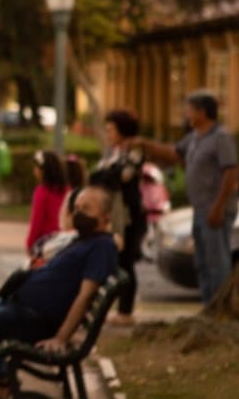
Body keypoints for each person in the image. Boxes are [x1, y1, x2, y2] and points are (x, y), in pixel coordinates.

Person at [0, 186, 119, 398]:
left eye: (87, 208)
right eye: (76, 208)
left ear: (106, 216)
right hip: (15, 306)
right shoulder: (82, 240)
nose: (78, 213)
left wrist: (61, 338)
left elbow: (86, 295)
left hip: (31, 318)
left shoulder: (102, 246)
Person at [132, 91, 239, 304]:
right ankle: (208, 305)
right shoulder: (194, 137)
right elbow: (174, 153)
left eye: (190, 110)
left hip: (214, 209)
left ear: (203, 112)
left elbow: (230, 172)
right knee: (202, 262)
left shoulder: (221, 137)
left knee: (216, 262)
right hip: (199, 208)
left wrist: (218, 207)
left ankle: (219, 307)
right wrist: (145, 144)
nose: (186, 114)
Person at [100, 109, 147, 326]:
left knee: (126, 260)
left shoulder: (134, 150)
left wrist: (108, 175)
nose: (108, 134)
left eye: (111, 129)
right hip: (113, 211)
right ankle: (119, 308)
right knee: (116, 260)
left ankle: (126, 311)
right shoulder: (113, 152)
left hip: (128, 214)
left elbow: (121, 176)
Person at [26, 150, 69, 255]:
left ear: (43, 170)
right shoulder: (68, 190)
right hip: (65, 241)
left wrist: (30, 243)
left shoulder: (42, 192)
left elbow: (37, 221)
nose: (34, 171)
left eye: (36, 168)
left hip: (46, 242)